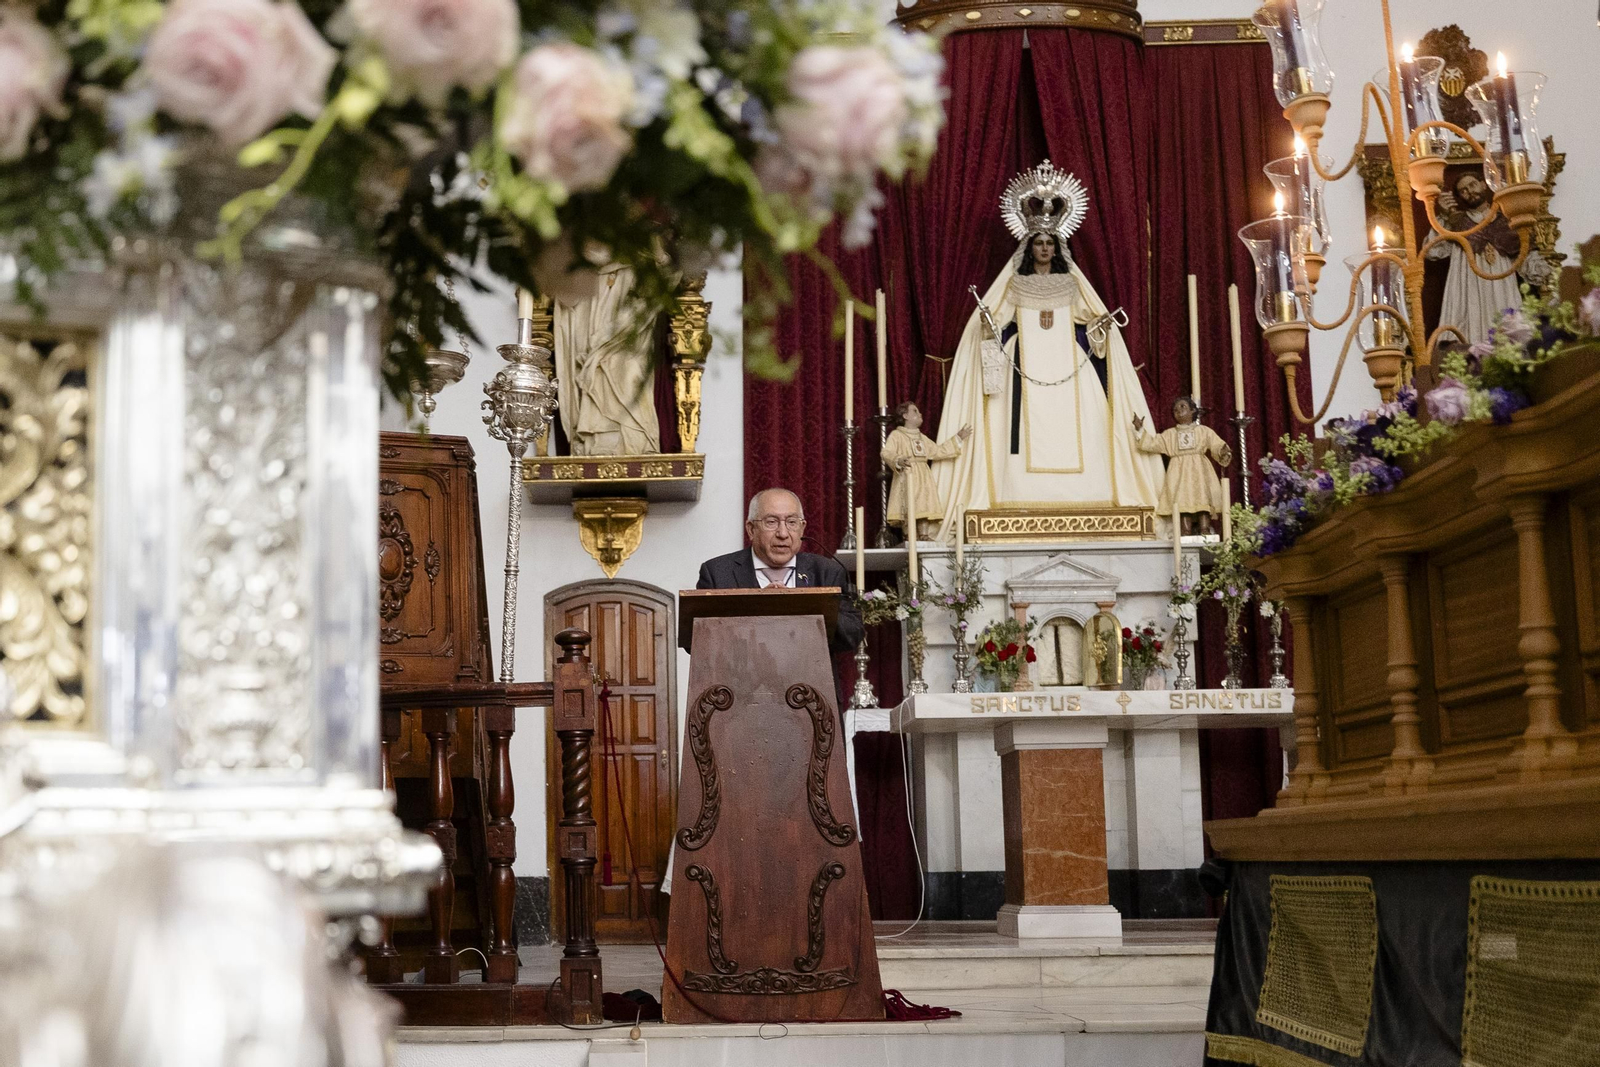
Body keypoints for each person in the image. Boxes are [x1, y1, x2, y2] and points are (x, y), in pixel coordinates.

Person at [932, 163, 1164, 542]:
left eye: (1049, 243)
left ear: (1057, 247)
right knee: (1016, 436)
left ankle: (1087, 495)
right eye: (1038, 242)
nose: (1043, 248)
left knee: (1086, 428)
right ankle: (1018, 494)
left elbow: (1094, 331)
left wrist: (1100, 330)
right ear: (1029, 246)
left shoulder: (1072, 284)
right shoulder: (1014, 284)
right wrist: (991, 329)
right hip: (1022, 378)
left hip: (1070, 375)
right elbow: (994, 327)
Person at [695, 488, 865, 653]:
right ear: (751, 529)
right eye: (771, 522)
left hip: (810, 679)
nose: (783, 533)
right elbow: (697, 642)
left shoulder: (827, 571)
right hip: (740, 678)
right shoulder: (718, 573)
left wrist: (800, 606)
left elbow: (852, 635)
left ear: (802, 528)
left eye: (792, 522)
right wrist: (758, 607)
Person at [1426, 170, 1549, 346]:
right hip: (1467, 288)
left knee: (1508, 331)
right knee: (1469, 335)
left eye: (1472, 185)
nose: (1469, 192)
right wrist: (1444, 217)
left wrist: (1540, 269)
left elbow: (1522, 253)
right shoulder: (1456, 222)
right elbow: (1432, 251)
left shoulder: (1506, 219)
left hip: (1501, 284)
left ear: (1483, 184)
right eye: (1463, 191)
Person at [553, 263, 661, 456]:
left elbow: (665, 264)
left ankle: (635, 441)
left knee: (628, 368)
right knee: (592, 365)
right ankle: (598, 438)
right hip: (592, 292)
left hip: (631, 292)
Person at [1133, 396, 1233, 537]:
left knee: (1203, 500)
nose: (1178, 411)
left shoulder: (1203, 431)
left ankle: (1205, 529)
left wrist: (1222, 450)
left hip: (1200, 472)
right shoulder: (1170, 435)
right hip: (1178, 473)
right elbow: (1152, 443)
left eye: (1182, 407)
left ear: (1193, 411)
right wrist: (1140, 430)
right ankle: (1185, 531)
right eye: (1175, 410)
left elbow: (1215, 443)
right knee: (1182, 502)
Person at [883, 401, 971, 542]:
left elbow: (937, 451)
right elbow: (886, 452)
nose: (920, 413)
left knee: (923, 504)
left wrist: (958, 438)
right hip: (907, 475)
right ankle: (908, 535)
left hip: (923, 476)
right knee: (907, 504)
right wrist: (898, 460)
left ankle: (924, 534)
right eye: (915, 411)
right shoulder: (897, 435)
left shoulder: (921, 437)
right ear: (905, 415)